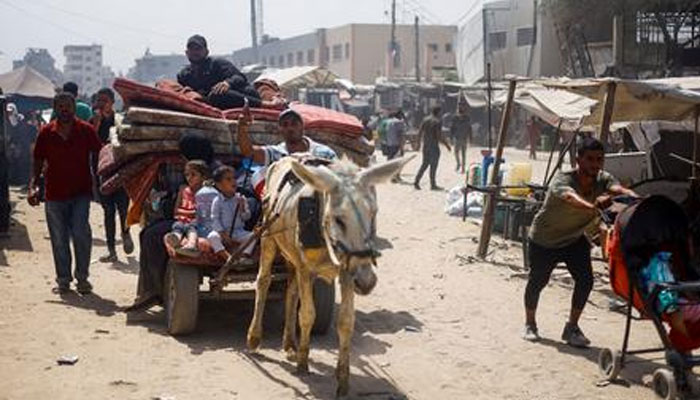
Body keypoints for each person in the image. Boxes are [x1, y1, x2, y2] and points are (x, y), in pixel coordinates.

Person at [522, 137, 637, 346]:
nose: (595, 164)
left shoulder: (603, 178)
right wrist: (595, 206)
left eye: (599, 160)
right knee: (538, 282)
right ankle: (530, 323)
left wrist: (634, 197)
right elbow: (571, 198)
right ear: (578, 160)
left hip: (574, 238)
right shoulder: (563, 179)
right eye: (590, 159)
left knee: (585, 281)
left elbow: (617, 189)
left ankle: (572, 328)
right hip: (545, 239)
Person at [28, 92, 103, 294]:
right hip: (54, 193)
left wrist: (102, 180)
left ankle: (82, 278)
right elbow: (37, 160)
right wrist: (33, 185)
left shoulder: (86, 130)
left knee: (80, 233)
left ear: (74, 107)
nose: (64, 110)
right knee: (59, 238)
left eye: (68, 106)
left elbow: (100, 153)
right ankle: (63, 280)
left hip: (81, 192)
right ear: (55, 108)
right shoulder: (45, 132)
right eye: (60, 106)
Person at [91, 87, 134, 262]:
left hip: (120, 170)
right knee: (108, 211)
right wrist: (96, 124)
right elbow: (91, 143)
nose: (101, 104)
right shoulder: (93, 120)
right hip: (102, 172)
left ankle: (125, 233)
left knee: (123, 208)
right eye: (98, 101)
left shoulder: (121, 119)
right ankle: (111, 250)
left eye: (104, 101)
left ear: (112, 102)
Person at [177, 34, 261, 109]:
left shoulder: (217, 64)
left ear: (206, 52)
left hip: (242, 95)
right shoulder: (184, 75)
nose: (195, 52)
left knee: (217, 95)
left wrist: (227, 83)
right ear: (187, 53)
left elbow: (240, 77)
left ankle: (264, 104)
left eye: (198, 49)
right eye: (191, 49)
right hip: (216, 103)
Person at [238, 106, 337, 166]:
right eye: (285, 125)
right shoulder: (276, 154)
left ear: (302, 126)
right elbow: (248, 152)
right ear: (280, 130)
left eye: (294, 124)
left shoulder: (324, 153)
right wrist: (242, 127)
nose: (290, 128)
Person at [164, 160, 217, 257]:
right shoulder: (183, 189)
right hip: (182, 221)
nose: (189, 178)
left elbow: (200, 213)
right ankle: (176, 238)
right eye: (187, 175)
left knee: (192, 229)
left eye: (193, 175)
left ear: (203, 177)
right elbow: (176, 210)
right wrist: (190, 212)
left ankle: (191, 244)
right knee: (176, 229)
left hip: (197, 224)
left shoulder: (206, 193)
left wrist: (188, 213)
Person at [207, 165, 254, 263]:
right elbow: (215, 219)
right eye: (228, 179)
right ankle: (228, 257)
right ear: (219, 185)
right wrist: (223, 235)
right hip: (223, 232)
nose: (233, 181)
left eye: (234, 178)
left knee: (253, 236)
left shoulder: (241, 198)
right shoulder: (217, 201)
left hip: (238, 232)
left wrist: (242, 209)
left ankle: (244, 256)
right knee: (212, 236)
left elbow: (246, 217)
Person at [414, 106, 451, 191]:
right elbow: (439, 136)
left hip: (426, 146)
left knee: (424, 164)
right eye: (441, 112)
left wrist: (418, 143)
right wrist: (446, 144)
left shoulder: (425, 119)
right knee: (433, 166)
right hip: (433, 146)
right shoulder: (437, 121)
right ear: (438, 112)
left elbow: (420, 132)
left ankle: (416, 181)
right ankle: (433, 184)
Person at [451, 102, 472, 174]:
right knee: (456, 152)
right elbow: (452, 127)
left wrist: (470, 137)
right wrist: (451, 136)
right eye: (460, 106)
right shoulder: (455, 117)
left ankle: (463, 167)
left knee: (463, 153)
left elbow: (469, 128)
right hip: (457, 137)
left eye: (462, 106)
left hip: (464, 138)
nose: (461, 107)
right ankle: (458, 163)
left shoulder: (467, 117)